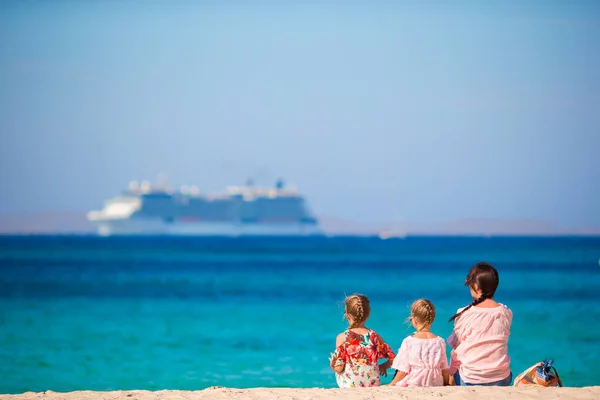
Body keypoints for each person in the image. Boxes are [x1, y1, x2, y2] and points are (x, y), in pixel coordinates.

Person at [447, 262, 513, 386]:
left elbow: (455, 343)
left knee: (455, 357)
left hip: (471, 378)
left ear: (476, 287)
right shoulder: (506, 313)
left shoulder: (464, 313)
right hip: (501, 377)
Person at [330, 294, 396, 387]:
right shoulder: (375, 336)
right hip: (373, 384)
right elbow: (393, 360)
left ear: (347, 315)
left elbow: (339, 368)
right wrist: (383, 366)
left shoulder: (342, 337)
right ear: (368, 314)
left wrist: (332, 363)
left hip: (349, 385)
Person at [388, 299, 450, 387]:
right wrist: (446, 383)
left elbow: (403, 370)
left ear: (414, 319)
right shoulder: (439, 341)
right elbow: (444, 368)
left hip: (415, 382)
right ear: (432, 319)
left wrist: (392, 383)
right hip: (436, 382)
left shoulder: (409, 341)